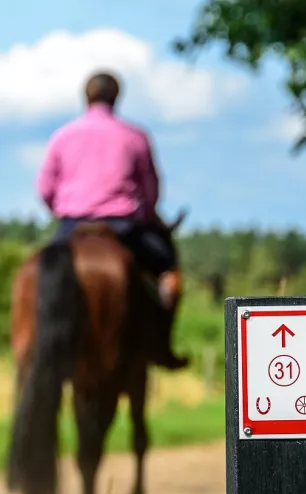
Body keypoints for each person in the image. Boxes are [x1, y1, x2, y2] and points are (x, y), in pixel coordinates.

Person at [34, 71, 189, 370]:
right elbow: (151, 191)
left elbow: (45, 189)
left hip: (71, 225)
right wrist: (144, 213)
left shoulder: (63, 135)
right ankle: (162, 345)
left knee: (42, 271)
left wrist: (63, 210)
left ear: (86, 97)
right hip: (124, 227)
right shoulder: (135, 136)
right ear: (117, 97)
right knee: (168, 271)